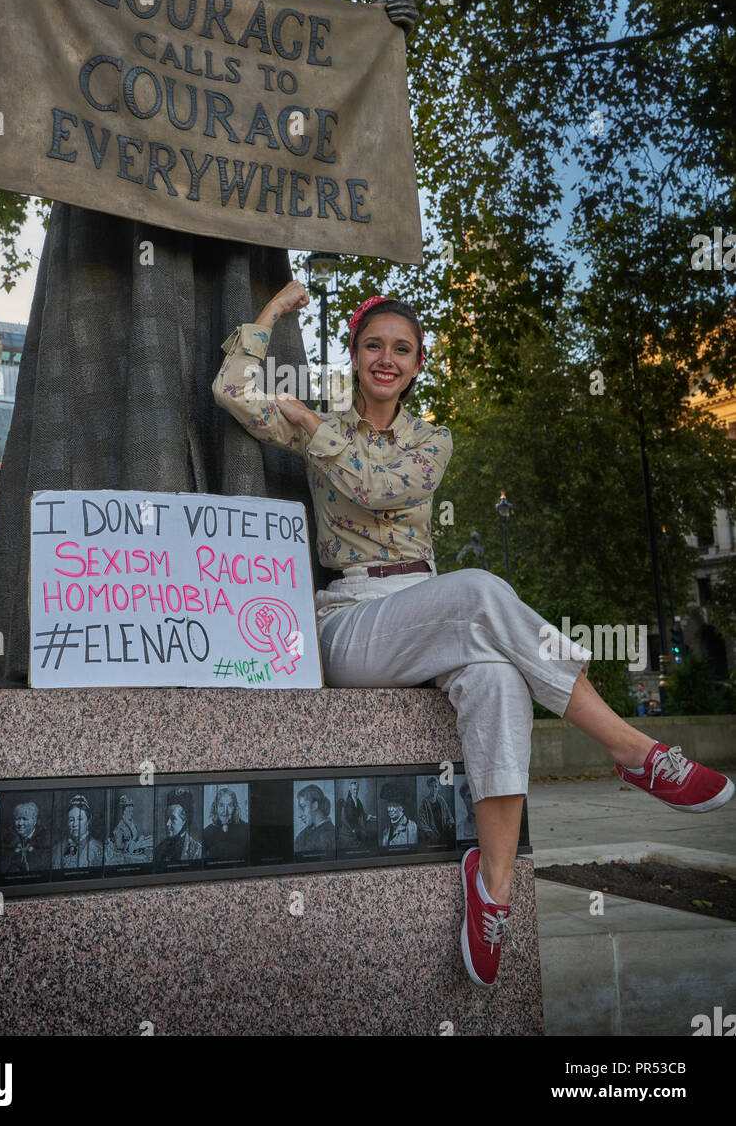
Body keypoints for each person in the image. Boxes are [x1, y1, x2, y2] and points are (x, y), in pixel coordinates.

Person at [0, 0, 418, 687]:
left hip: (226, 236)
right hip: (115, 217)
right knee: (108, 389)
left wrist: (375, 37)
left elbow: (288, 85)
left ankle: (246, 639)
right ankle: (88, 625)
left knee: (233, 392)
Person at [212, 279, 736, 989]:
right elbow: (231, 388)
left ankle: (490, 889)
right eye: (373, 346)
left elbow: (383, 486)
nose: (386, 359)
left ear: (419, 363)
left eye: (402, 349)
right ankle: (632, 750)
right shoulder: (320, 419)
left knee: (494, 677)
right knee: (482, 590)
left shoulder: (431, 441)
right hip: (348, 619)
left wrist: (313, 427)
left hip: (428, 604)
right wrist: (272, 315)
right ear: (356, 355)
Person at [52, 794, 103, 870]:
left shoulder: (98, 849)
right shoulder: (58, 848)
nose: (75, 824)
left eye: (79, 819)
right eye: (71, 820)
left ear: (88, 820)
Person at [154, 789, 202, 865]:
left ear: (185, 819)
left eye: (173, 819)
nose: (167, 824)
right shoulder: (159, 850)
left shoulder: (196, 851)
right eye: (167, 818)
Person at [203, 788, 248, 862]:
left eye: (230, 805)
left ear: (235, 808)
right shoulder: (206, 832)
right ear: (215, 807)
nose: (225, 811)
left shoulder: (246, 829)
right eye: (221, 805)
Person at [295, 784, 337, 856]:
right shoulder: (302, 836)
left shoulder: (332, 835)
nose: (299, 815)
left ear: (314, 805)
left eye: (303, 807)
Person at [418, 776, 454, 846]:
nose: (434, 789)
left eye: (435, 786)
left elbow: (448, 814)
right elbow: (421, 820)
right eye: (431, 786)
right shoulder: (425, 802)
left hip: (443, 831)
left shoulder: (441, 800)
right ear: (428, 787)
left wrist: (449, 824)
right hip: (431, 834)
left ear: (438, 788)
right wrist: (430, 832)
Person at [379, 781, 418, 847]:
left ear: (402, 807)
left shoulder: (412, 827)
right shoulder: (386, 829)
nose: (390, 809)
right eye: (389, 805)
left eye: (394, 805)